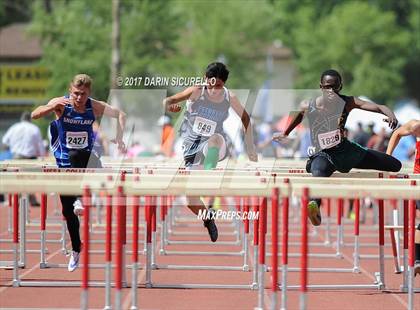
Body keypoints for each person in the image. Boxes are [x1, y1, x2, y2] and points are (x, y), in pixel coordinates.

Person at [272, 69, 401, 226]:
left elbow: (380, 107)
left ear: (340, 87)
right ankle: (314, 207)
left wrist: (391, 115)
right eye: (327, 87)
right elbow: (299, 115)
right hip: (323, 154)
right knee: (318, 170)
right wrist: (285, 133)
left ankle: (315, 202)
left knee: (395, 165)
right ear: (321, 86)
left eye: (335, 87)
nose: (331, 91)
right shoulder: (309, 105)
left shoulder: (348, 102)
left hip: (346, 150)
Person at [31, 74, 126, 272]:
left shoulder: (94, 106)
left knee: (79, 153)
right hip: (64, 164)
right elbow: (35, 115)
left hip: (88, 160)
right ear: (70, 90)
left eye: (83, 94)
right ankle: (76, 248)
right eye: (76, 93)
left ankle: (80, 198)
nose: (79, 97)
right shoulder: (61, 104)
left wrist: (120, 137)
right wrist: (52, 106)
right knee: (67, 213)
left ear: (89, 93)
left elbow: (120, 114)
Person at [163, 62, 258, 242]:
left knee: (213, 139)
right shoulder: (196, 90)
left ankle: (209, 174)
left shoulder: (230, 97)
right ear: (205, 80)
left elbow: (245, 117)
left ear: (224, 84)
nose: (214, 90)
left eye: (219, 86)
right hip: (193, 147)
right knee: (191, 200)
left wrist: (250, 145)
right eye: (211, 85)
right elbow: (167, 101)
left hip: (217, 143)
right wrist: (172, 107)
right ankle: (207, 219)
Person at [386, 119, 420, 275]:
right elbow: (398, 133)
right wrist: (387, 158)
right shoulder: (416, 125)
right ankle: (418, 259)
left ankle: (418, 259)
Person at [2, 111, 46, 206]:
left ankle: (16, 199)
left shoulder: (14, 127)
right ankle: (32, 200)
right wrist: (42, 157)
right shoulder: (34, 128)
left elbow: (5, 141)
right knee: (31, 179)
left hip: (17, 157)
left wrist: (13, 147)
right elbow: (40, 145)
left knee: (16, 179)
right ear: (30, 119)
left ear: (22, 119)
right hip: (31, 158)